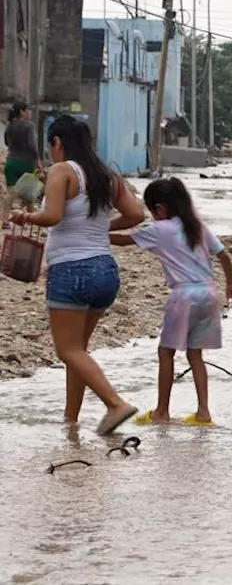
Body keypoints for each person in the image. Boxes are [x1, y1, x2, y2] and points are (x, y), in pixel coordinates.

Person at [10, 116, 145, 435]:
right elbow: (137, 214)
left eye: (50, 145)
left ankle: (115, 404)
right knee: (78, 351)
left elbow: (52, 215)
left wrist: (24, 215)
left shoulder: (62, 171)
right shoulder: (106, 174)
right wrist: (100, 227)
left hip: (72, 270)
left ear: (57, 142)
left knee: (67, 350)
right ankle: (71, 422)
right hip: (105, 271)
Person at [110, 178, 232, 426]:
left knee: (166, 352)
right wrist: (231, 285)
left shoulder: (160, 229)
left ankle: (162, 411)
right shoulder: (197, 226)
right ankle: (203, 413)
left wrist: (95, 232)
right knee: (195, 355)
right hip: (209, 294)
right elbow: (223, 255)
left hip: (183, 296)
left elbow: (125, 239)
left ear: (160, 209)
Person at [3, 102, 40, 218]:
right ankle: (32, 220)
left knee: (10, 194)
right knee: (29, 196)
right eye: (27, 110)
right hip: (26, 164)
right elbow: (32, 146)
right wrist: (38, 161)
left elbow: (6, 142)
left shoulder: (9, 126)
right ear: (22, 112)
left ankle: (4, 220)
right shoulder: (29, 126)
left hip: (11, 163)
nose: (29, 113)